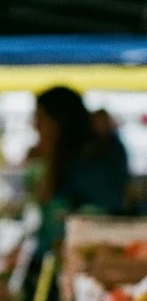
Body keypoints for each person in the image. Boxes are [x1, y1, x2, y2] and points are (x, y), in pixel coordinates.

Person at [33, 87, 129, 226]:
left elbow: (103, 212)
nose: (35, 126)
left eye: (40, 119)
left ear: (59, 122)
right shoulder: (63, 160)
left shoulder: (95, 161)